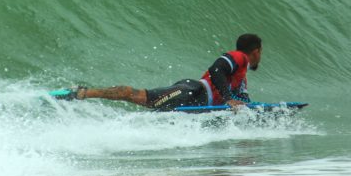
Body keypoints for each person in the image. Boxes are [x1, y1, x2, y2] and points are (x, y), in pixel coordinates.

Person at [58, 33, 262, 111]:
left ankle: (81, 93)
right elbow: (216, 69)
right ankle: (81, 93)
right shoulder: (239, 57)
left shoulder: (241, 77)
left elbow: (244, 101)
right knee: (137, 96)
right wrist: (227, 99)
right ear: (256, 52)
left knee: (140, 99)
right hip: (192, 93)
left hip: (195, 98)